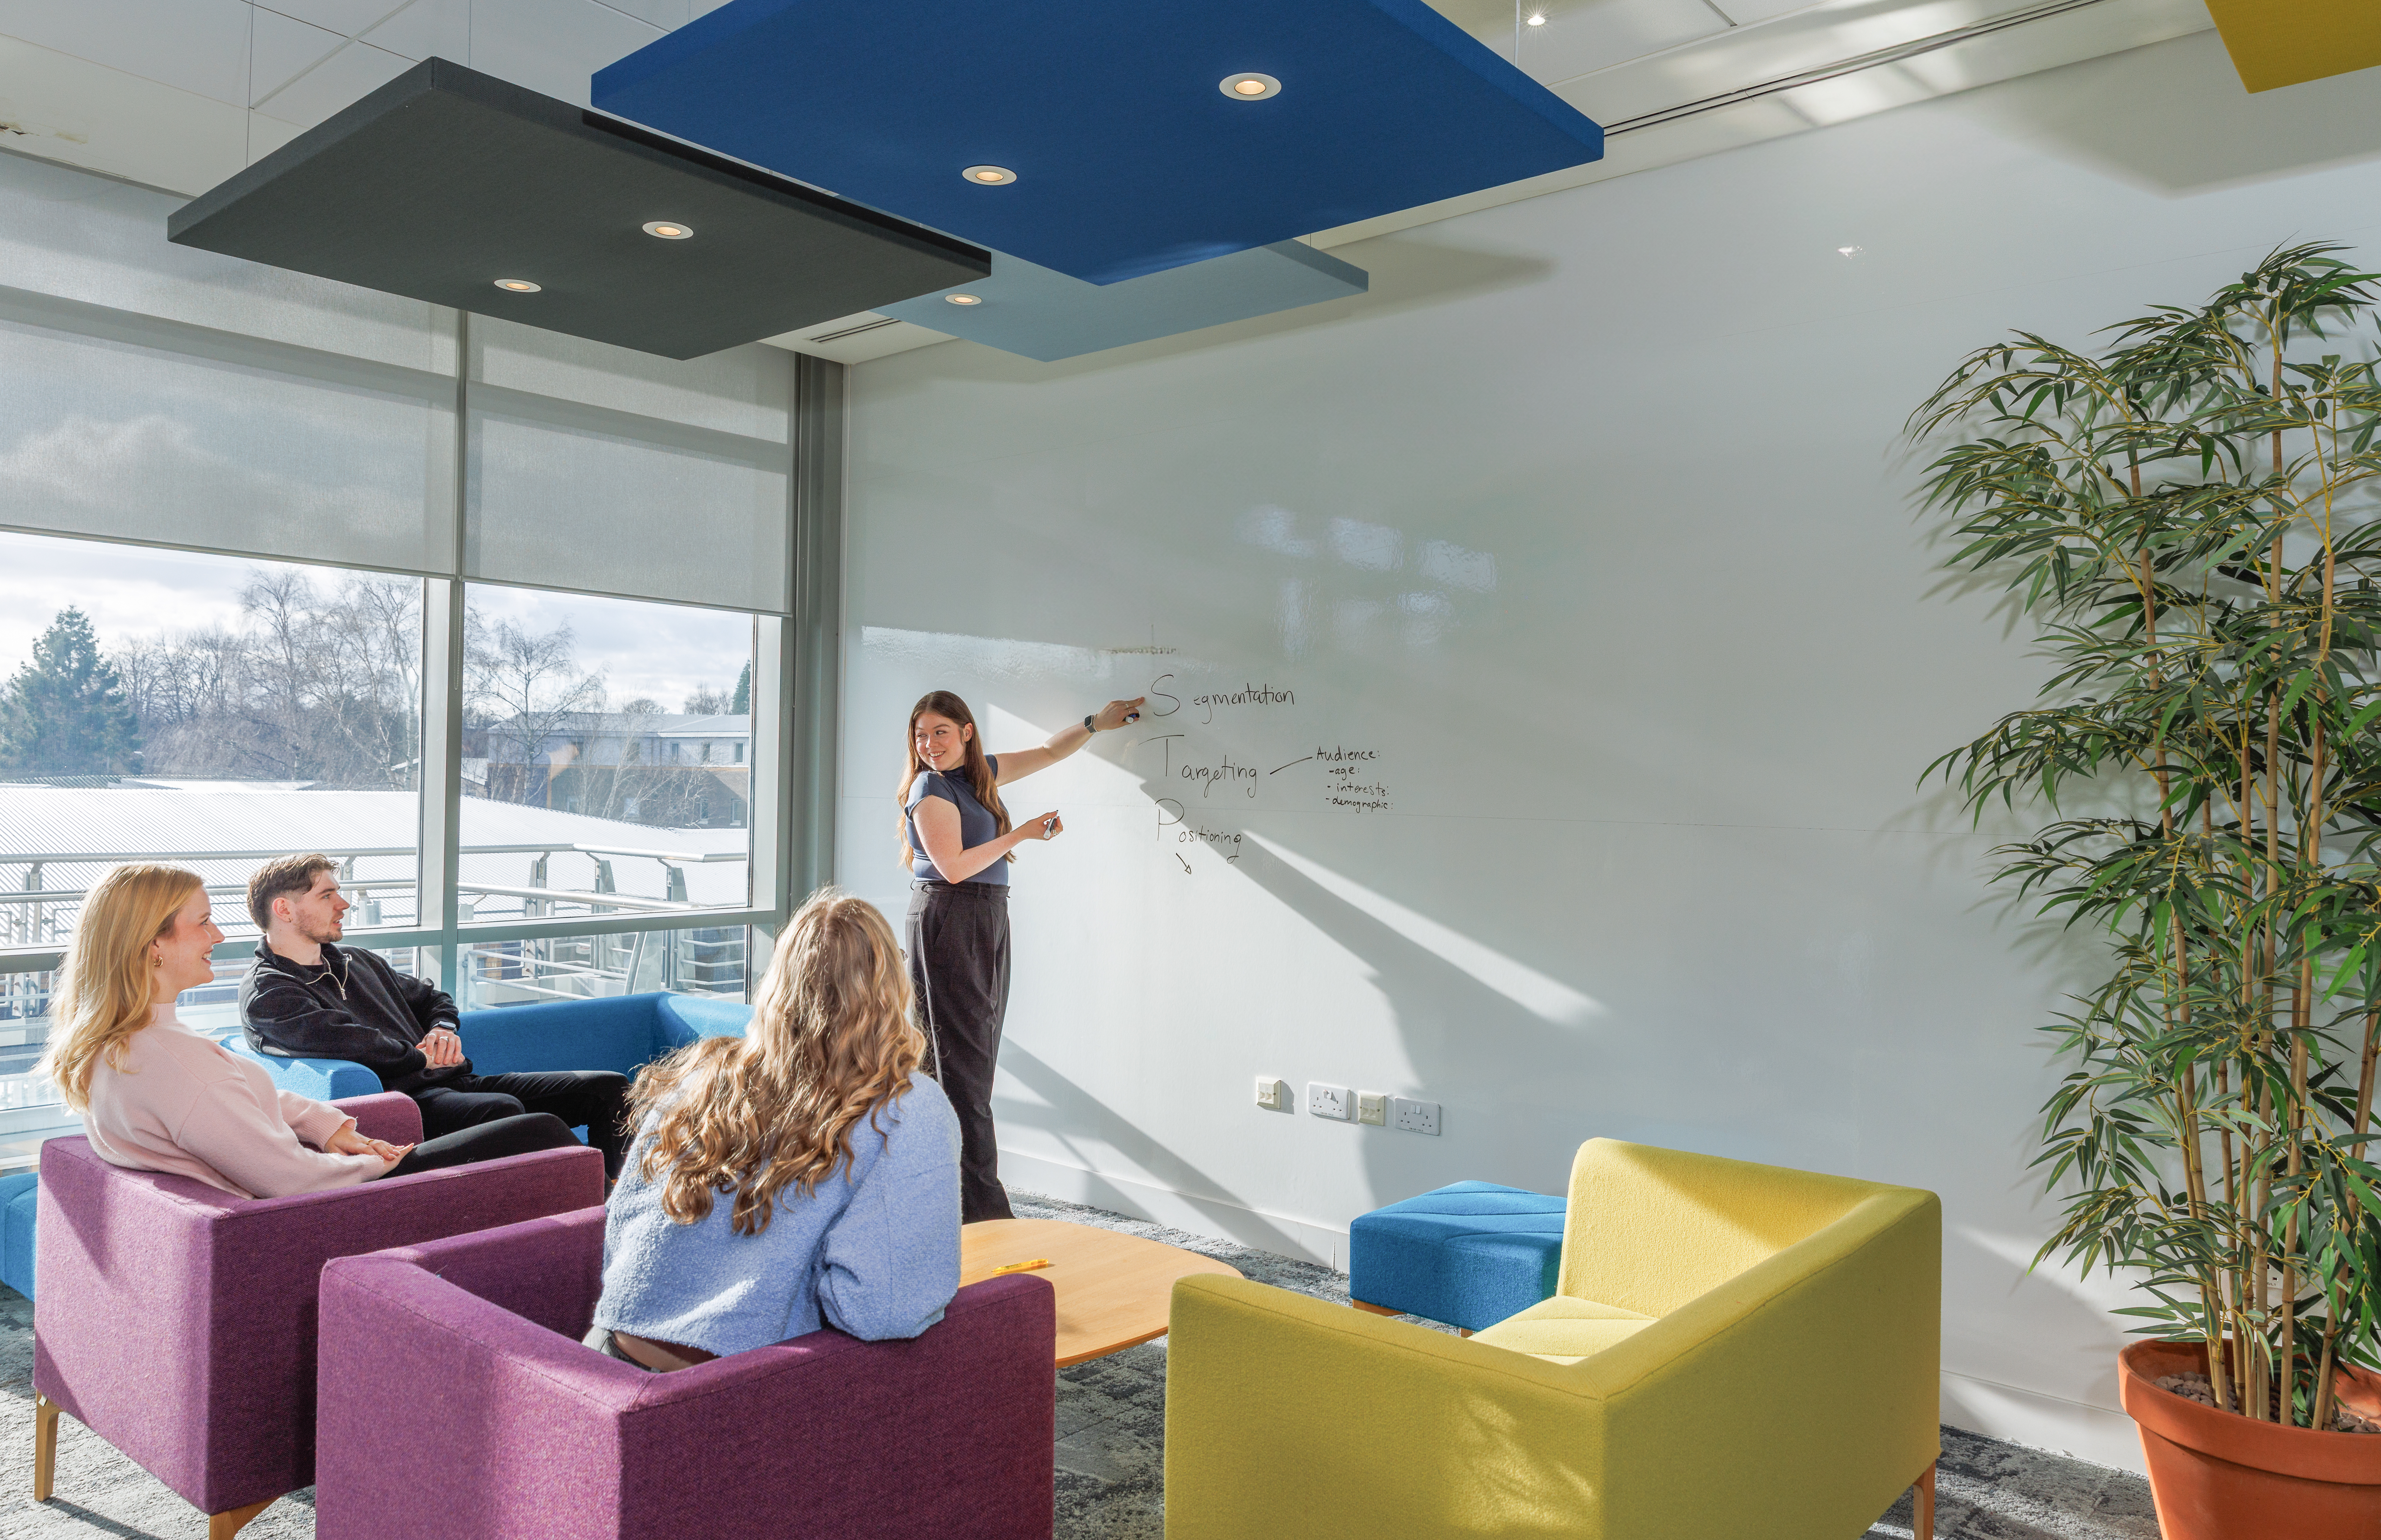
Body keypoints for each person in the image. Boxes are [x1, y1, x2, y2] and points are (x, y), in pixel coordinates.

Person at [586, 887, 958, 1372]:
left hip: (603, 1361)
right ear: (890, 985)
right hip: (721, 1394)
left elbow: (619, 1231)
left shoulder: (702, 1073)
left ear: (779, 980)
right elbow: (881, 1309)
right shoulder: (906, 1107)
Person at [43, 864, 581, 1199]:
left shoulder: (130, 1043)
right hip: (331, 1208)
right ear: (153, 944)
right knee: (539, 1133)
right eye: (203, 922)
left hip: (319, 1177)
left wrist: (328, 1125)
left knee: (534, 1126)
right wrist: (375, 1160)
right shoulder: (175, 1058)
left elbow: (229, 1100)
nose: (220, 934)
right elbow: (290, 1179)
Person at [899, 689, 1143, 1222]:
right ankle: (985, 1213)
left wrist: (1094, 723)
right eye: (921, 734)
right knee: (963, 1070)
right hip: (950, 916)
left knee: (969, 1063)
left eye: (941, 731)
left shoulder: (978, 775)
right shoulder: (929, 788)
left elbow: (1050, 753)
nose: (929, 744)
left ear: (966, 732)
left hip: (986, 917)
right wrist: (1024, 834)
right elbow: (955, 867)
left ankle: (945, 1201)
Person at [237, 853, 633, 1178]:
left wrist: (443, 1028)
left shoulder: (358, 962)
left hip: (456, 1081)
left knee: (609, 1088)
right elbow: (344, 1038)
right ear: (285, 909)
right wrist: (421, 1057)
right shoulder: (269, 992)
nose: (344, 904)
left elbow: (432, 997)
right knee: (505, 1112)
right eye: (327, 896)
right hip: (409, 1103)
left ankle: (620, 1194)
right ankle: (592, 1201)